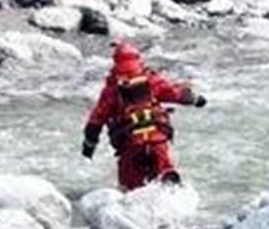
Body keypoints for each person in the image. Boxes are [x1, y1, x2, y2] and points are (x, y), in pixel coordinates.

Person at [81, 42, 206, 190]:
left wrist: (88, 147)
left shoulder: (111, 91)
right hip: (157, 140)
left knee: (129, 187)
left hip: (130, 145)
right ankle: (169, 182)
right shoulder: (152, 81)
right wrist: (197, 99)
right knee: (164, 169)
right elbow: (176, 93)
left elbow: (96, 121)